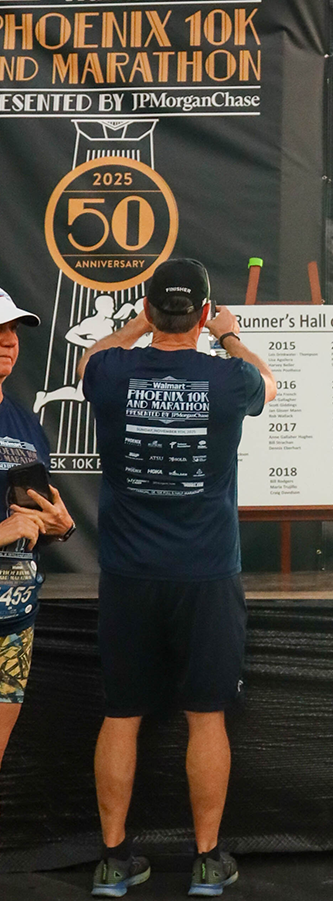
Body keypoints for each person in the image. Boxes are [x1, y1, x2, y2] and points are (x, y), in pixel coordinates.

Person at [78, 259, 276, 898]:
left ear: (148, 309)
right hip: (205, 574)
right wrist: (229, 334)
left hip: (129, 575)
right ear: (203, 312)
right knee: (207, 717)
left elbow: (88, 361)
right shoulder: (230, 378)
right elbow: (270, 385)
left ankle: (114, 859)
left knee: (122, 714)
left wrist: (137, 326)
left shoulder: (112, 371)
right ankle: (208, 860)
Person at [0, 288, 76, 768]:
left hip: (14, 619)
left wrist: (60, 527)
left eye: (12, 329)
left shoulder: (25, 423)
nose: (8, 340)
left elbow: (32, 518)